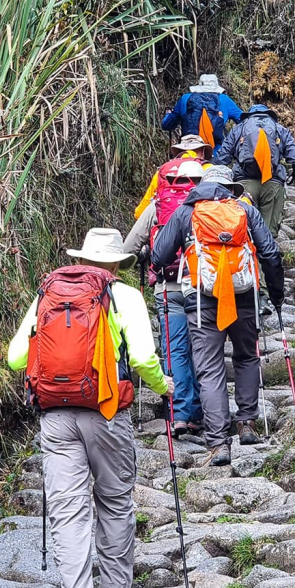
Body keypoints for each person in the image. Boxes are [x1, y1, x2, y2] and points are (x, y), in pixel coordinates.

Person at [8, 228, 172, 588]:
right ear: (117, 263)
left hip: (55, 414)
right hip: (105, 411)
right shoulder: (124, 295)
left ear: (81, 259)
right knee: (114, 502)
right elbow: (142, 358)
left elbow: (15, 358)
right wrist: (163, 386)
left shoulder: (48, 294)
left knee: (68, 508)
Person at [151, 165, 285, 466]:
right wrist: (276, 295)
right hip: (245, 297)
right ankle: (247, 423)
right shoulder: (245, 210)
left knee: (210, 369)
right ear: (231, 188)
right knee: (247, 358)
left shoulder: (186, 213)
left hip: (202, 301)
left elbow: (159, 255)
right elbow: (270, 253)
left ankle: (218, 442)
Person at [125, 161, 205, 444]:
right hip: (202, 288)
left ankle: (180, 414)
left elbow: (128, 249)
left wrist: (146, 254)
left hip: (167, 288)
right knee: (203, 351)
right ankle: (202, 412)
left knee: (175, 352)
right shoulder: (210, 205)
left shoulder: (158, 205)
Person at [213, 103, 295, 241]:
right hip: (272, 184)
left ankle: (247, 253)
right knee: (268, 234)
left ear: (248, 115)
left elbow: (221, 158)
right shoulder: (280, 129)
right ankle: (266, 253)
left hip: (243, 185)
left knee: (244, 229)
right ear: (269, 115)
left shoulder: (238, 129)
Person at [133, 134, 212, 220]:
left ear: (179, 153)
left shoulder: (163, 171)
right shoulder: (209, 169)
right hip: (197, 222)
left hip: (165, 221)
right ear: (203, 152)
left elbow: (139, 213)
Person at [162, 74, 242, 155]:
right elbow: (244, 120)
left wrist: (168, 114)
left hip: (187, 151)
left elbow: (166, 125)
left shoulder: (185, 99)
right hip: (216, 153)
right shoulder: (224, 99)